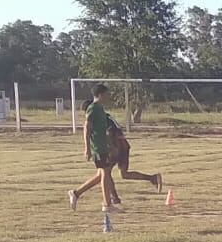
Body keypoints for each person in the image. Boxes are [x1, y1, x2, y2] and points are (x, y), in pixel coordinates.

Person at [69, 114, 162, 204]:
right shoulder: (106, 116)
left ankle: (79, 193)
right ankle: (152, 178)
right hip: (123, 145)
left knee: (104, 173)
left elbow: (109, 132)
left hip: (116, 146)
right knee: (123, 174)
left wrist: (112, 147)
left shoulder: (99, 118)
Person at [67, 83, 122, 214]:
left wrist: (111, 145)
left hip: (103, 146)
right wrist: (87, 148)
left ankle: (76, 193)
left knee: (101, 174)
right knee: (105, 173)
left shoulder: (101, 109)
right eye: (107, 94)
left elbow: (103, 130)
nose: (109, 97)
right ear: (101, 95)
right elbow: (87, 128)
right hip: (97, 147)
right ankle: (107, 204)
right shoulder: (93, 108)